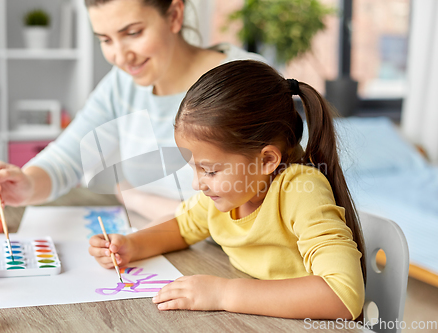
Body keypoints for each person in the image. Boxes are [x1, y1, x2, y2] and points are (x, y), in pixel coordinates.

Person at [88, 60, 366, 320]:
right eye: (194, 168)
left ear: (267, 160)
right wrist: (132, 245)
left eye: (210, 170)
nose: (198, 184)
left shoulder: (300, 191)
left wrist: (224, 293)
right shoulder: (230, 193)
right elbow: (183, 226)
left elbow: (342, 295)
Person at [0, 0, 265, 220]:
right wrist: (24, 183)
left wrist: (137, 199)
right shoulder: (122, 84)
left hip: (230, 262)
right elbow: (67, 157)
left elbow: (276, 202)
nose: (120, 55)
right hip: (152, 243)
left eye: (133, 33)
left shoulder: (246, 80)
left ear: (174, 15)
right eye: (105, 39)